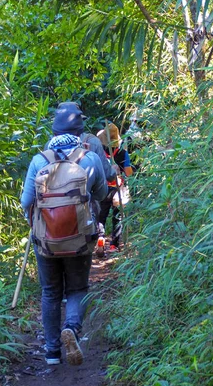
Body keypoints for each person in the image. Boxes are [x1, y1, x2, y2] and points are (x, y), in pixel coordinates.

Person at [21, 104, 108, 366]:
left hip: (45, 240)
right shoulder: (89, 158)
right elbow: (102, 195)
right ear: (80, 130)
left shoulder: (40, 160)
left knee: (50, 292)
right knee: (77, 288)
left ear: (54, 129)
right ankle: (71, 327)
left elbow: (26, 201)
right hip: (79, 238)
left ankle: (51, 353)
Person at [96, 123, 133, 252]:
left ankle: (100, 238)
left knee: (101, 215)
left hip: (103, 188)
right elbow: (128, 173)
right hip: (118, 189)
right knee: (117, 216)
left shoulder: (100, 153)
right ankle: (114, 244)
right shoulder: (123, 153)